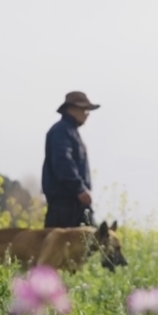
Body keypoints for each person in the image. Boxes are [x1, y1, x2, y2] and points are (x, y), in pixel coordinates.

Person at [41, 91, 100, 228]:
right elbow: (63, 162)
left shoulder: (70, 132)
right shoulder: (61, 131)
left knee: (96, 244)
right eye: (84, 109)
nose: (87, 114)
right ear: (72, 109)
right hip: (65, 206)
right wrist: (79, 189)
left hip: (77, 204)